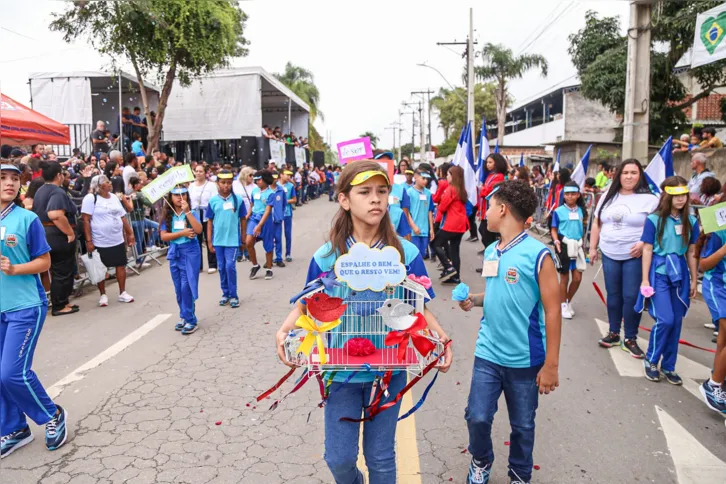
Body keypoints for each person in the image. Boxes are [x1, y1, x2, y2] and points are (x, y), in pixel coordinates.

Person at [274, 160, 451, 484]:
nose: (376, 199)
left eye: (382, 192)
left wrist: (441, 340)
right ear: (344, 199)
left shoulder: (406, 253)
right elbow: (309, 302)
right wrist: (286, 329)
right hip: (341, 370)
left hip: (390, 368)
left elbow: (419, 307)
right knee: (339, 459)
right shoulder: (327, 256)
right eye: (365, 192)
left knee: (380, 458)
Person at [458, 179, 561, 484]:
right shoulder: (492, 250)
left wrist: (551, 366)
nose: (485, 212)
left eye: (488, 206)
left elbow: (553, 310)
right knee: (477, 416)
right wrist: (474, 300)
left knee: (523, 426)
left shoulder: (539, 255)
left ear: (502, 210)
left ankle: (519, 473)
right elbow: (496, 292)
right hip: (488, 352)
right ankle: (481, 459)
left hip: (525, 359)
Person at [0, 163, 69, 459]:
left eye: (15, 179)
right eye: (3, 178)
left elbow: (44, 262)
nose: (10, 183)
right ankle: (15, 428)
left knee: (12, 373)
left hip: (26, 306)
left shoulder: (27, 219)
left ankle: (52, 414)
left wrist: (15, 268)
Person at [588, 160, 659, 357]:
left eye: (633, 173)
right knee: (613, 296)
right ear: (618, 175)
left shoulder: (650, 200)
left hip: (634, 256)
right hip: (609, 253)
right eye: (625, 172)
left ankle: (630, 337)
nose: (629, 176)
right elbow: (596, 223)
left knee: (630, 297)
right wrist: (593, 248)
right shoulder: (607, 197)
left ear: (640, 176)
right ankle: (613, 333)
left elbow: (656, 227)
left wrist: (644, 243)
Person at [637, 176, 698, 385]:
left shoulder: (691, 221)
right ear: (667, 195)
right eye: (676, 195)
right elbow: (647, 249)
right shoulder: (654, 219)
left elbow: (691, 251)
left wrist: (693, 279)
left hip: (680, 273)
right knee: (666, 319)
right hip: (659, 272)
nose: (681, 199)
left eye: (684, 195)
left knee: (677, 322)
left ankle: (669, 366)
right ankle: (651, 360)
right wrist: (645, 280)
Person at [31, 161, 79, 317]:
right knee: (62, 270)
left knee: (57, 269)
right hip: (57, 234)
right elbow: (55, 214)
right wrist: (70, 232)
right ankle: (59, 304)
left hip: (44, 233)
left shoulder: (40, 190)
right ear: (58, 175)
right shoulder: (57, 192)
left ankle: (62, 301)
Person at [81, 175, 136, 307]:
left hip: (116, 239)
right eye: (106, 182)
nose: (110, 183)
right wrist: (89, 241)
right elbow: (86, 220)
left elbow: (122, 217)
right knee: (101, 268)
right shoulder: (91, 198)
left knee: (120, 265)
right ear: (99, 186)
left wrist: (130, 233)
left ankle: (122, 292)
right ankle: (102, 294)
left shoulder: (114, 198)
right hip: (100, 240)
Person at [159, 186, 202, 335]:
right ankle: (184, 315)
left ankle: (191, 319)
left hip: (190, 252)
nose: (180, 197)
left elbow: (198, 229)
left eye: (183, 194)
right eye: (176, 195)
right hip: (175, 252)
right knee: (178, 288)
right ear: (170, 197)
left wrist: (187, 212)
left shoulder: (192, 212)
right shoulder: (167, 215)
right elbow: (164, 236)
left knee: (186, 286)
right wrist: (182, 233)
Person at [206, 170, 247, 308]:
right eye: (223, 183)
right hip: (218, 241)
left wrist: (243, 238)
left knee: (230, 266)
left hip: (233, 241)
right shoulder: (213, 201)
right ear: (218, 183)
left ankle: (234, 295)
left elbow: (243, 220)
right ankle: (225, 293)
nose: (226, 186)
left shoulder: (238, 200)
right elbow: (210, 222)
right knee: (222, 267)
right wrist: (209, 241)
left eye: (229, 183)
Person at [697, 223, 726, 412]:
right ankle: (713, 385)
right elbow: (704, 264)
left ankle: (719, 382)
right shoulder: (720, 230)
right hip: (719, 286)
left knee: (723, 341)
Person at [550, 182, 587, 320]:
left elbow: (582, 229)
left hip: (577, 246)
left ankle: (567, 300)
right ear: (563, 195)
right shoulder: (558, 211)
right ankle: (563, 304)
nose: (570, 196)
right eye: (567, 194)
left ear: (578, 195)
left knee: (577, 278)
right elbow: (553, 229)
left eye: (573, 194)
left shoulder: (581, 211)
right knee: (564, 277)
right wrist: (556, 241)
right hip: (563, 245)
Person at [432, 165, 469, 284]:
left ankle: (448, 267)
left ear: (453, 177)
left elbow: (442, 207)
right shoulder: (461, 189)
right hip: (461, 225)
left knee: (434, 243)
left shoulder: (451, 189)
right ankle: (456, 277)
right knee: (454, 250)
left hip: (451, 224)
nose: (446, 177)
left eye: (448, 175)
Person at [246, 170, 276, 280]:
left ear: (265, 180)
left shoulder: (271, 194)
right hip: (254, 218)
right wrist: (247, 216)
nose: (257, 182)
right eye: (256, 180)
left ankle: (269, 268)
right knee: (248, 242)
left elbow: (268, 211)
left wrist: (260, 225)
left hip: (266, 220)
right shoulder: (254, 191)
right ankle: (255, 265)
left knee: (268, 245)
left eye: (259, 179)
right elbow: (252, 205)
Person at [189, 164, 218, 273]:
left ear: (205, 173)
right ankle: (198, 265)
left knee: (209, 238)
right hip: (195, 215)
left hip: (207, 215)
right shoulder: (191, 186)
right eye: (196, 171)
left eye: (201, 171)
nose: (198, 173)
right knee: (197, 240)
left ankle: (213, 264)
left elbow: (214, 200)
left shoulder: (211, 185)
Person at [478, 154, 508, 249]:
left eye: (490, 162)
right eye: (487, 162)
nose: (488, 164)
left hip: (491, 208)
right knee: (483, 231)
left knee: (488, 234)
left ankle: (494, 252)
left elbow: (487, 192)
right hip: (485, 209)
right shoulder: (490, 176)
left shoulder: (499, 176)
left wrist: (482, 189)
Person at [406, 168, 435, 258]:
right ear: (415, 177)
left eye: (427, 179)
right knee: (414, 256)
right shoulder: (409, 192)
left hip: (425, 230)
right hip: (414, 231)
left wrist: (431, 229)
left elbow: (430, 211)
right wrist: (413, 226)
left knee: (422, 255)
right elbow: (406, 211)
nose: (425, 181)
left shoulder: (428, 193)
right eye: (423, 178)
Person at [233, 166, 255, 262]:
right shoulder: (235, 184)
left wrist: (248, 214)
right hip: (237, 212)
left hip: (250, 212)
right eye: (250, 175)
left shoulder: (254, 186)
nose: (252, 177)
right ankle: (239, 253)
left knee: (247, 233)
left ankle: (247, 253)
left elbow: (254, 202)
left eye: (252, 175)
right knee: (238, 232)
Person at [269, 173, 287, 268]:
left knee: (278, 239)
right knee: (269, 240)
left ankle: (279, 258)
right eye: (273, 178)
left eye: (276, 178)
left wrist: (281, 214)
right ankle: (269, 259)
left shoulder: (281, 190)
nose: (274, 180)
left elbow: (284, 203)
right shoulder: (266, 190)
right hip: (268, 219)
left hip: (277, 219)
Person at [280, 170, 297, 262]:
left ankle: (288, 254)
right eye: (287, 175)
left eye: (290, 175)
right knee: (277, 235)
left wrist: (285, 201)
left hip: (287, 212)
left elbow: (294, 199)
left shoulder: (290, 186)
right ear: (281, 175)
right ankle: (278, 256)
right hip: (277, 213)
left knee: (288, 234)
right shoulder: (276, 186)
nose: (289, 177)